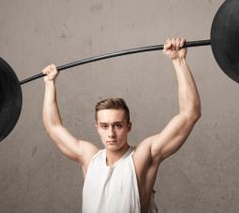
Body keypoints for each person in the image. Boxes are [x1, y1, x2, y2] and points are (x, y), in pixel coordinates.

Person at [42, 38, 201, 213]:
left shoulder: (142, 157)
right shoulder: (89, 159)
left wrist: (179, 61)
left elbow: (189, 114)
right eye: (104, 126)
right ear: (97, 127)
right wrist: (49, 84)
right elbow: (54, 128)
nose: (111, 133)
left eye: (117, 125)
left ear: (128, 126)